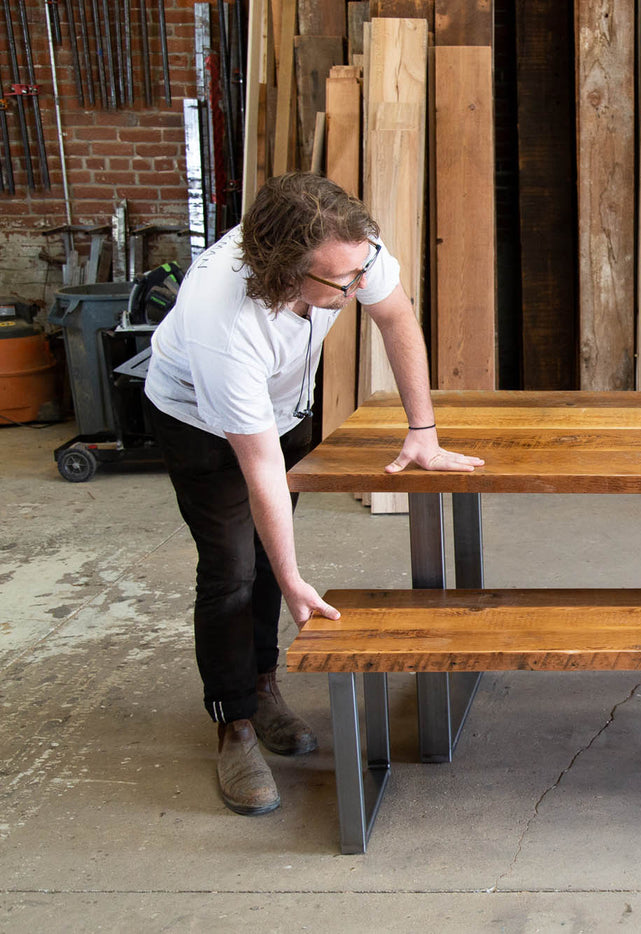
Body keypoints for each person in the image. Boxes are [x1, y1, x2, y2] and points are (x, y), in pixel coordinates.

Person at [144, 173, 485, 816]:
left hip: (280, 401)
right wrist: (297, 575)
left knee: (274, 562)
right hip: (198, 419)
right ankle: (234, 724)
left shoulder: (349, 252)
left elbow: (396, 315)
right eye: (342, 282)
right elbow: (260, 464)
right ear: (282, 270)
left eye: (361, 271)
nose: (358, 288)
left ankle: (264, 684)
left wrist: (423, 432)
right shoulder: (225, 320)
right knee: (232, 569)